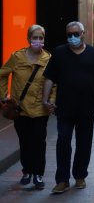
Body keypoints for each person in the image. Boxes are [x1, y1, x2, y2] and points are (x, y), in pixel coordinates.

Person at [43, 21, 94, 194]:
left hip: (86, 107)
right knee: (63, 141)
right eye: (69, 34)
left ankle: (80, 175)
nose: (72, 37)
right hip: (64, 107)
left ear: (83, 33)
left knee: (84, 143)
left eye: (76, 34)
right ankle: (62, 180)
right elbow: (49, 77)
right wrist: (45, 100)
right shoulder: (59, 52)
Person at [0, 25, 53, 190]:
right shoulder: (17, 57)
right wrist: (4, 95)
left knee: (39, 140)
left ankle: (38, 174)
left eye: (41, 38)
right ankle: (27, 171)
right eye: (35, 38)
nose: (38, 41)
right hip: (20, 109)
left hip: (40, 108)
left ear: (44, 40)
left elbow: (54, 82)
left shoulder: (48, 59)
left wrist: (51, 99)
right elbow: (2, 74)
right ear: (28, 39)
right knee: (25, 141)